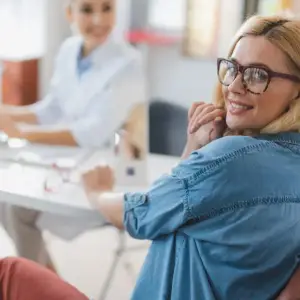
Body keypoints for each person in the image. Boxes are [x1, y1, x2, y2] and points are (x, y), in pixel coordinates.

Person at [2, 13, 300, 300]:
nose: (234, 86)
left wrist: (96, 192)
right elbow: (184, 200)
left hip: (114, 178)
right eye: (233, 68)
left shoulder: (231, 159)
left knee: (9, 272)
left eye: (258, 75)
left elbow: (142, 213)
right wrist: (196, 149)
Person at [0, 0, 146, 271]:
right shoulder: (68, 50)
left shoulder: (129, 64)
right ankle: (46, 287)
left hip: (106, 174)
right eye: (87, 10)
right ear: (70, 13)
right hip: (67, 161)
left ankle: (40, 288)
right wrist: (7, 113)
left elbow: (91, 133)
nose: (99, 20)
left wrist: (19, 131)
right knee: (7, 201)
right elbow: (52, 107)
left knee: (16, 209)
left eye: (107, 8)